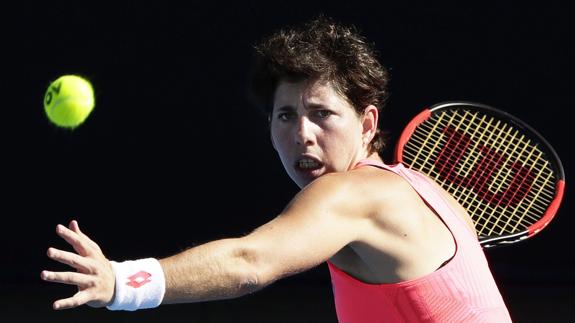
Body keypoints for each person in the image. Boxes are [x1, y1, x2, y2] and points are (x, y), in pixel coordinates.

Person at [42, 16, 513, 322]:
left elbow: (250, 263)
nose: (302, 134)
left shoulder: (349, 194)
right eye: (286, 116)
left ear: (368, 123)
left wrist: (122, 283)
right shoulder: (427, 191)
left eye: (322, 114)